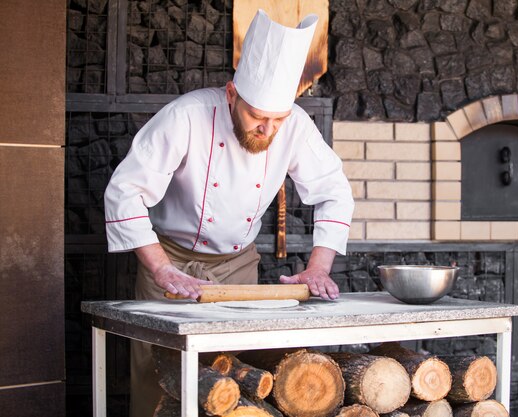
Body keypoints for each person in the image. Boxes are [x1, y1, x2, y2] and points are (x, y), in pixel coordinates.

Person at [104, 9, 354, 417]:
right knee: (155, 376)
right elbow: (124, 191)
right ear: (232, 94)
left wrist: (318, 268)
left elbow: (334, 192)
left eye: (278, 119)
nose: (268, 130)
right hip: (169, 264)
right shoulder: (186, 116)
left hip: (237, 266)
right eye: (258, 116)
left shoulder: (295, 127)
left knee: (232, 380)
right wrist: (162, 269)